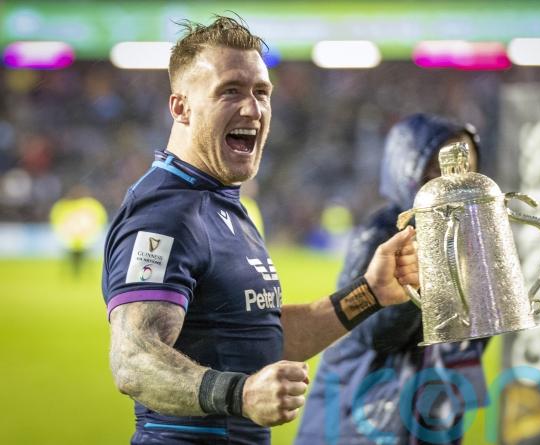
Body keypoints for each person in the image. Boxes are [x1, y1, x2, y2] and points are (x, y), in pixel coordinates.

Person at [101, 16, 419, 445]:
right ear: (181, 107)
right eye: (230, 91)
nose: (253, 109)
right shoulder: (164, 213)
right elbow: (134, 360)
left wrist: (371, 293)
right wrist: (243, 393)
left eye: (261, 92)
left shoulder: (223, 204)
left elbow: (259, 339)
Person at [295, 114, 488, 445]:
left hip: (427, 414)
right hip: (362, 416)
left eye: (465, 170)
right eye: (440, 170)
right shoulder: (382, 233)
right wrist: (422, 285)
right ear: (409, 169)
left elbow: (470, 336)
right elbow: (374, 333)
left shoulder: (468, 236)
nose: (454, 182)